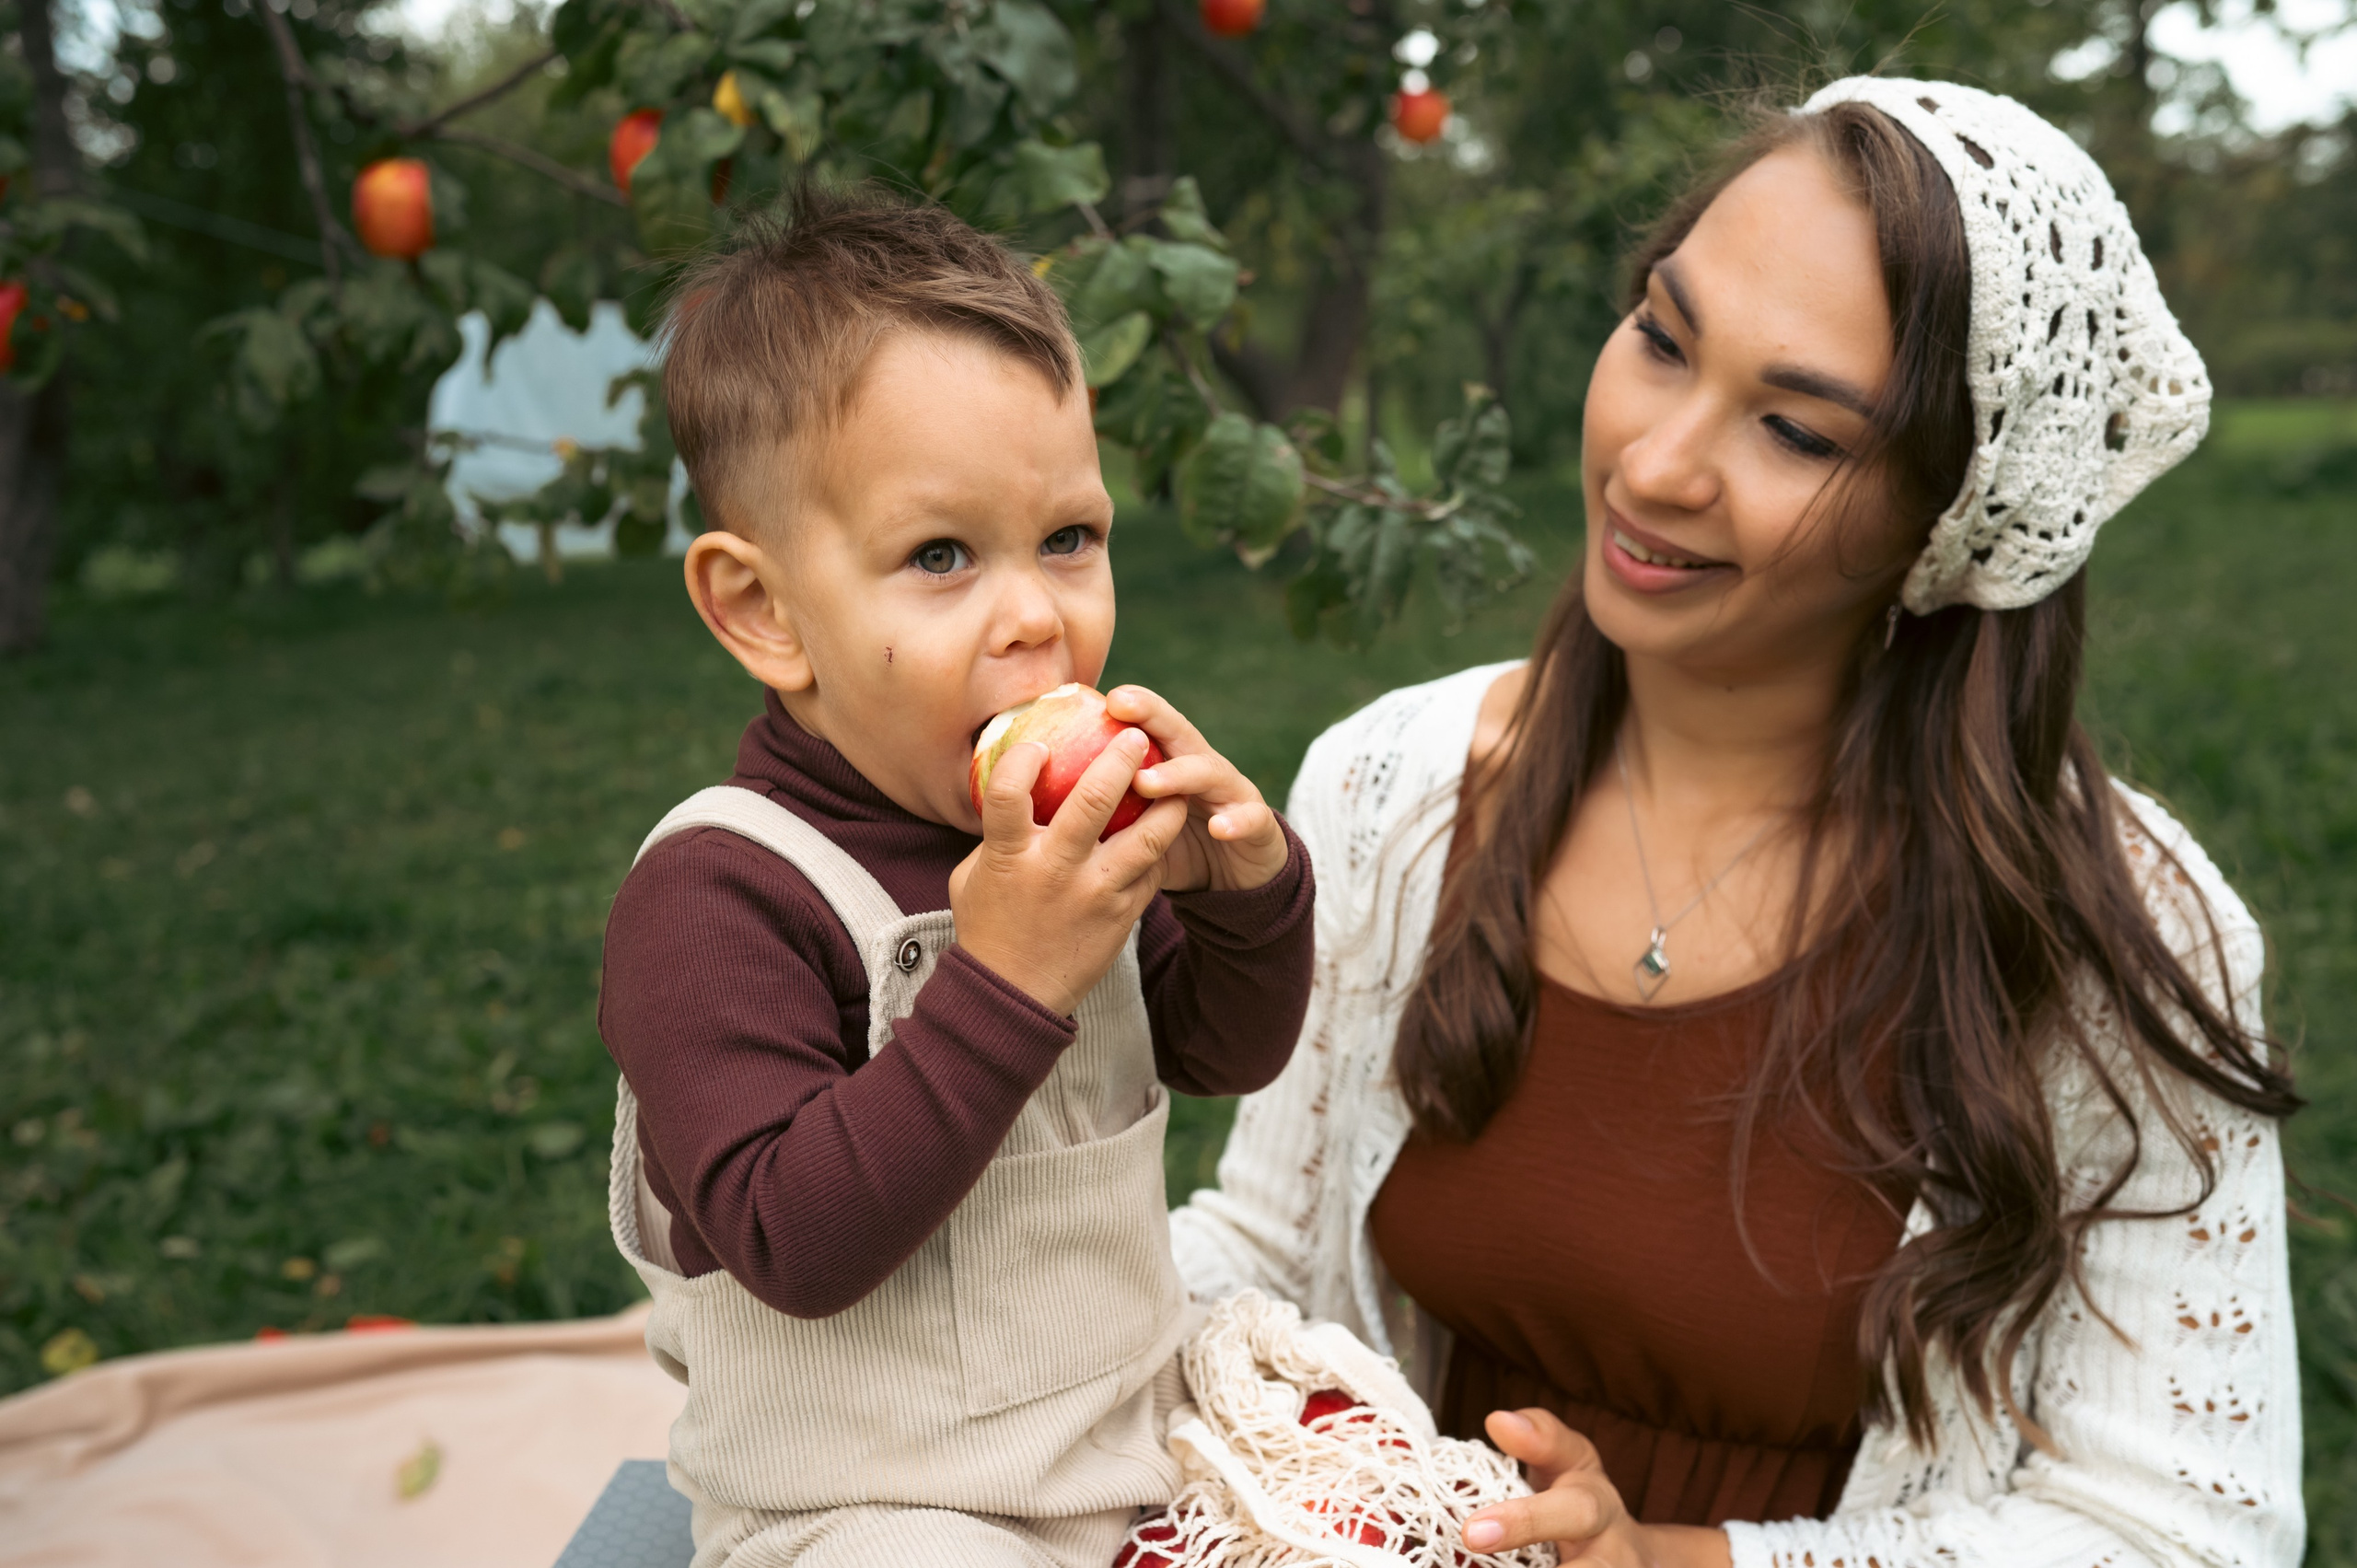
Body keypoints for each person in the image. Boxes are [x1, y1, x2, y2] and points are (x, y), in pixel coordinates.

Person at [1170, 77, 2303, 1568]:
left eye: (1796, 431)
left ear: (1944, 516)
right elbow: (1264, 1257)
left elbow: (2182, 1533)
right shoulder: (1395, 786)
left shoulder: (2110, 925)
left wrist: (1672, 1559)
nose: (1654, 464)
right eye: (1660, 338)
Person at [596, 184, 1317, 1568]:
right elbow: (789, 1237)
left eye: (1070, 539)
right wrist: (1003, 980)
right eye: (941, 557)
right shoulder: (717, 898)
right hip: (869, 1510)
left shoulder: (1060, 845)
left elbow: (1229, 1052)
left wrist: (1243, 899)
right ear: (766, 612)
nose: (1038, 614)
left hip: (1127, 1451)